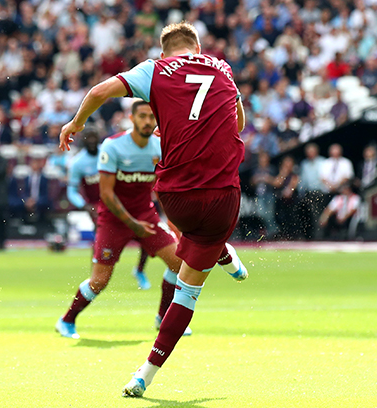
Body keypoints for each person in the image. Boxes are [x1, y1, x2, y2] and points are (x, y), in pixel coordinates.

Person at [59, 22, 248, 398]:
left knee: (186, 245)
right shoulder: (222, 67)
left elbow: (99, 90)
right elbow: (239, 123)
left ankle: (218, 253)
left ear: (164, 53)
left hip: (174, 201)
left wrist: (76, 122)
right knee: (190, 282)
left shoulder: (155, 69)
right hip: (222, 198)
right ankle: (144, 373)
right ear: (197, 47)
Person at [55, 101, 190, 341]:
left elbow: (162, 187)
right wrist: (132, 224)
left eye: (152, 117)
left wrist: (171, 220)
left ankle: (162, 318)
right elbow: (106, 194)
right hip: (113, 220)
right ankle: (66, 321)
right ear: (132, 118)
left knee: (179, 264)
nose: (148, 121)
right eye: (142, 116)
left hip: (145, 217)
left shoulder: (159, 146)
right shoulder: (113, 146)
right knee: (99, 281)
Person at [67, 128, 153, 290]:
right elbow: (71, 192)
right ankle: (95, 278)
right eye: (88, 138)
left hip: (120, 202)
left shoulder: (110, 153)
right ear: (83, 140)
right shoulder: (78, 163)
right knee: (100, 241)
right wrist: (84, 205)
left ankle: (140, 270)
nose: (92, 141)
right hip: (97, 208)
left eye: (94, 137)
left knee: (146, 232)